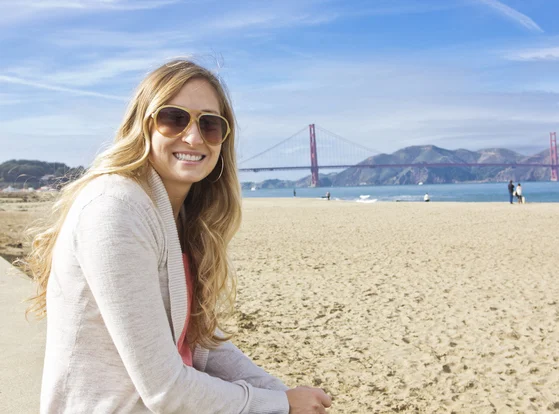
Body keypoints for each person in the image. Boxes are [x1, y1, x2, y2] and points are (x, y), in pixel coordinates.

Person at [24, 60, 331, 413]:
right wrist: (279, 404)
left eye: (210, 125)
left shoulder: (179, 214)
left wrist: (284, 395)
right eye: (175, 118)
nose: (194, 137)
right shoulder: (115, 208)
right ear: (144, 125)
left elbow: (201, 342)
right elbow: (165, 391)